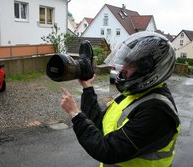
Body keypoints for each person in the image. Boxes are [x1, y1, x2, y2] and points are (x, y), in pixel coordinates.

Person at [60, 31, 181, 167]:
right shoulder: (134, 94)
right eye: (124, 62)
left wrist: (75, 114)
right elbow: (99, 124)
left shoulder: (157, 112)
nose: (123, 68)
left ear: (147, 69)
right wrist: (87, 89)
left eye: (130, 64)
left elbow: (107, 150)